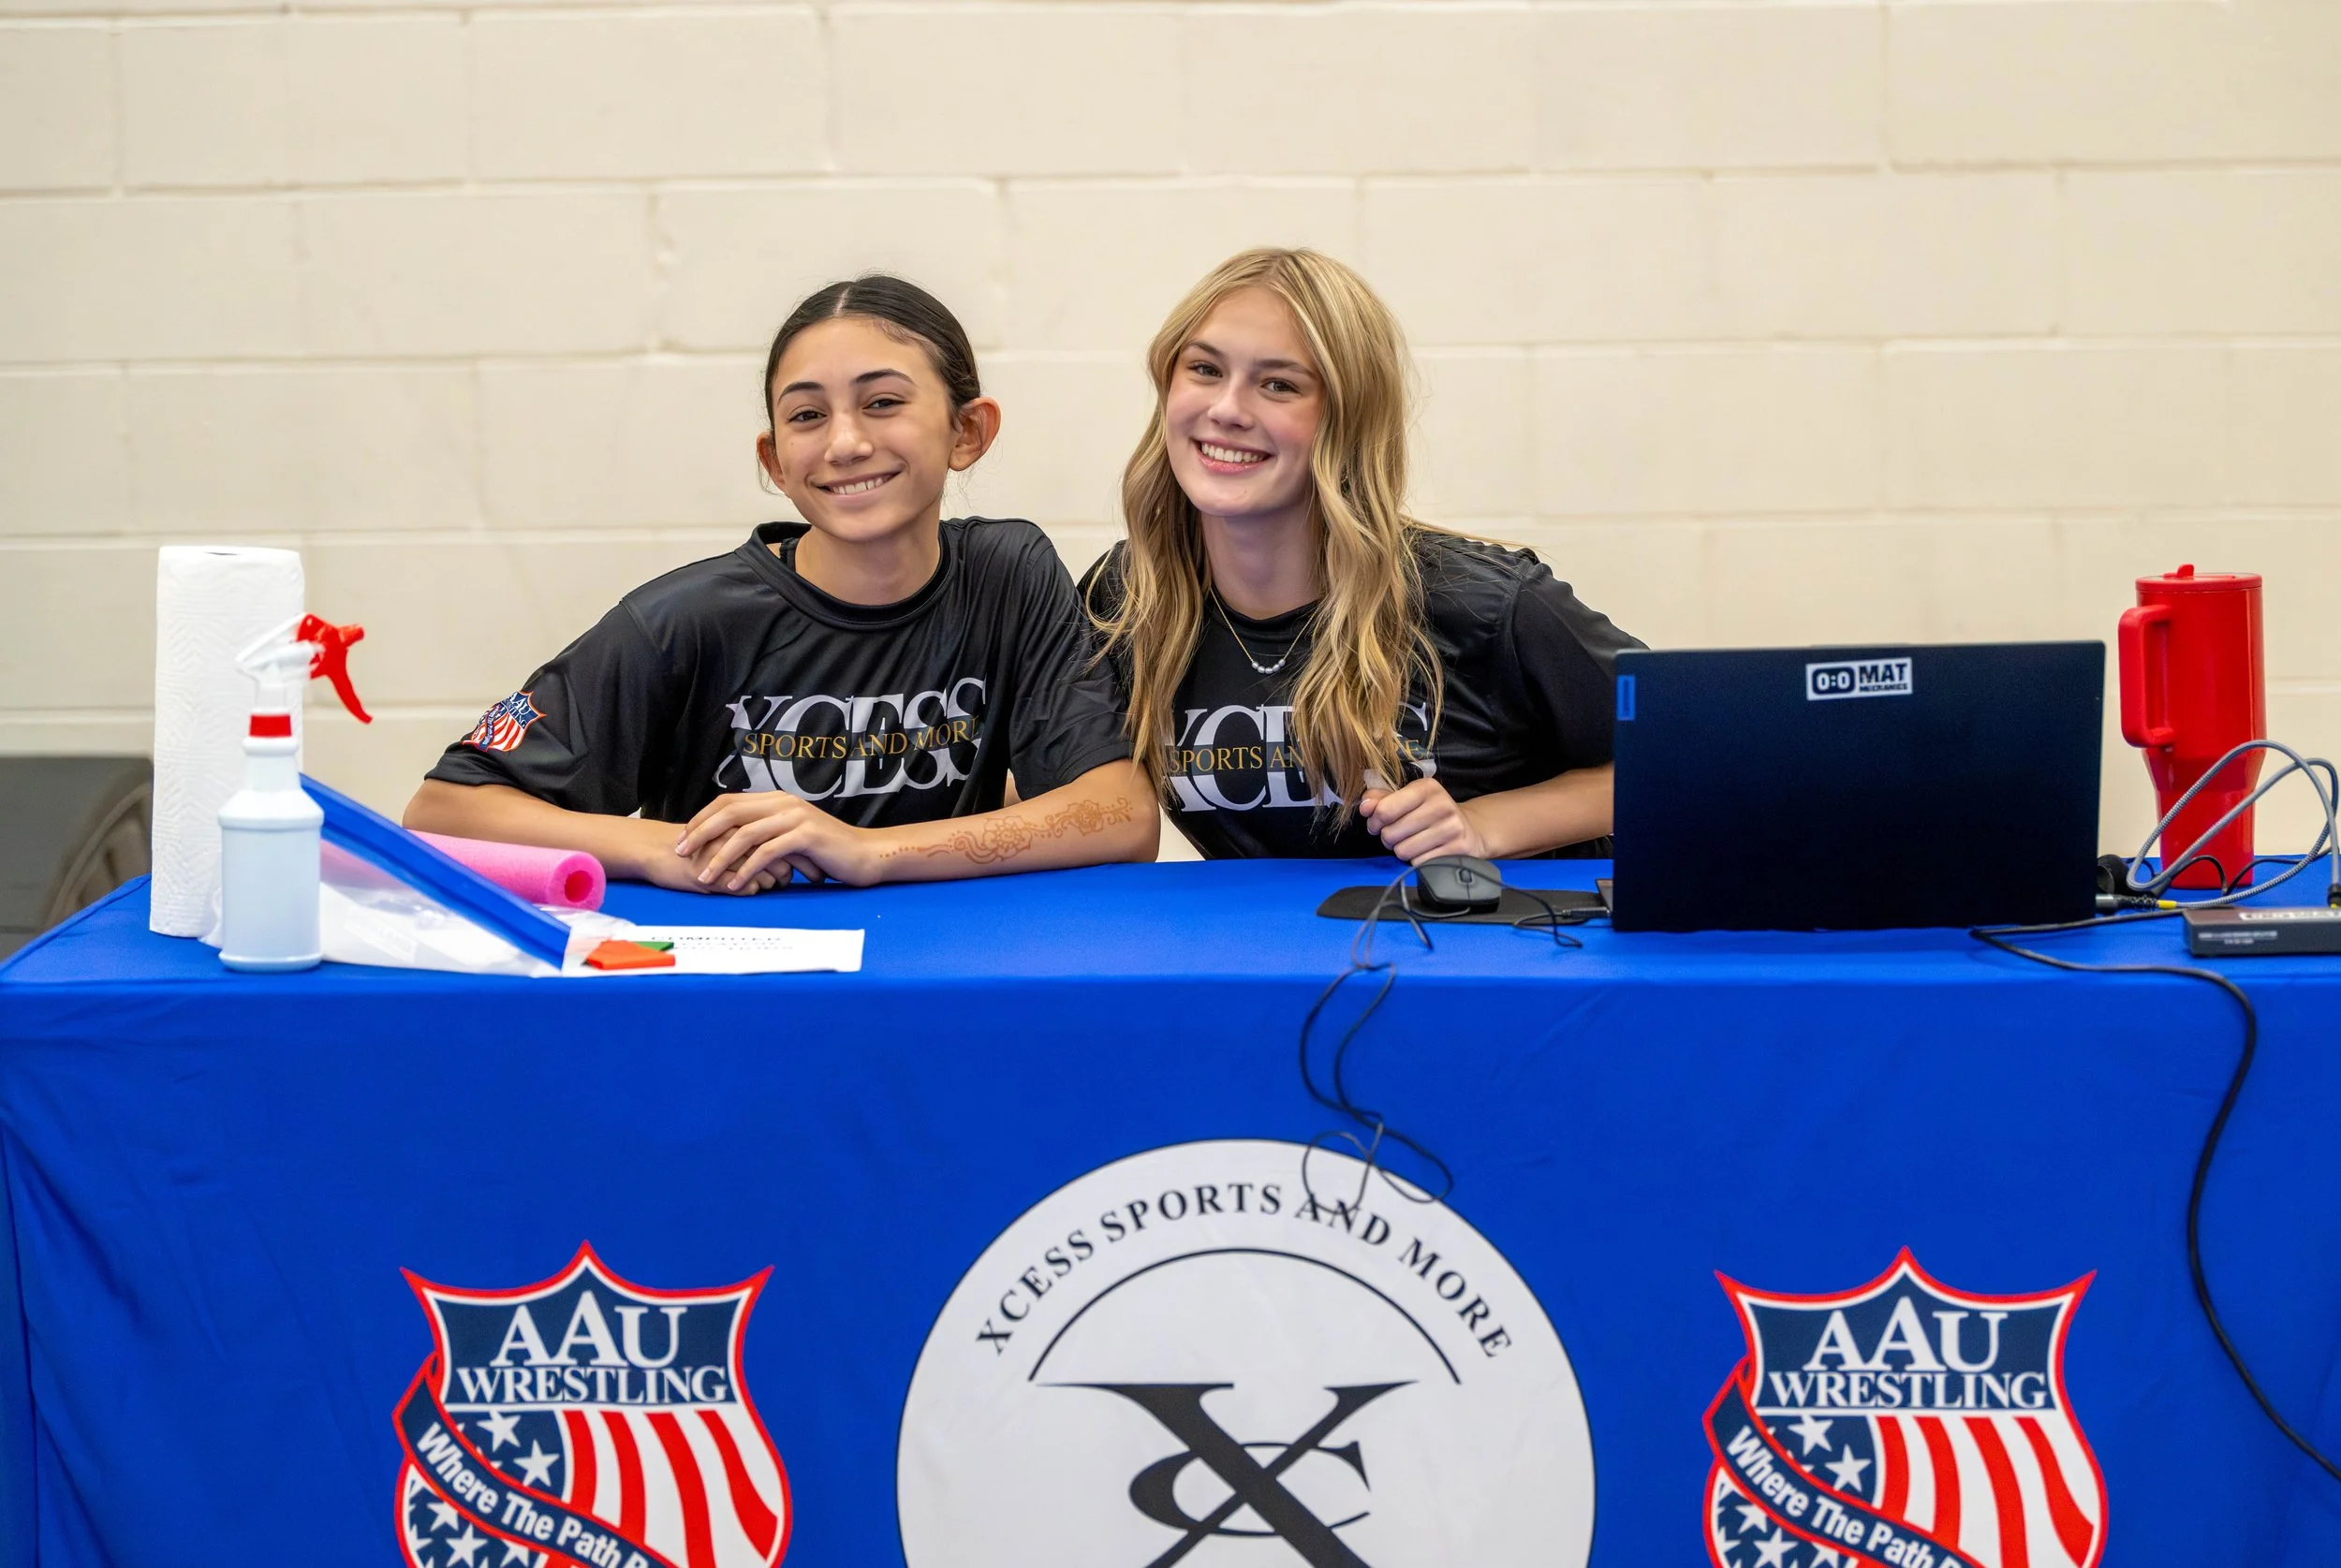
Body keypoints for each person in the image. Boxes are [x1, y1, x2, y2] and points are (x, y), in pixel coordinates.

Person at [406, 275, 1155, 891]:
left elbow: (1119, 816)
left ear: (968, 432)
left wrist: (866, 851)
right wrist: (657, 847)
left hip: (935, 976)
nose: (845, 442)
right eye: (806, 415)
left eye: (883, 401)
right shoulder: (684, 621)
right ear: (775, 461)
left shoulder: (1007, 575)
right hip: (739, 984)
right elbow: (441, 810)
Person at [1083, 248, 1640, 863]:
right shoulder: (1127, 600)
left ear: (1348, 419)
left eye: (1278, 384)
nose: (1227, 409)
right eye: (1205, 370)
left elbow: (1701, 748)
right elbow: (1051, 775)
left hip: (1491, 951)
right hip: (1276, 955)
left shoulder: (1483, 603)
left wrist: (1485, 824)